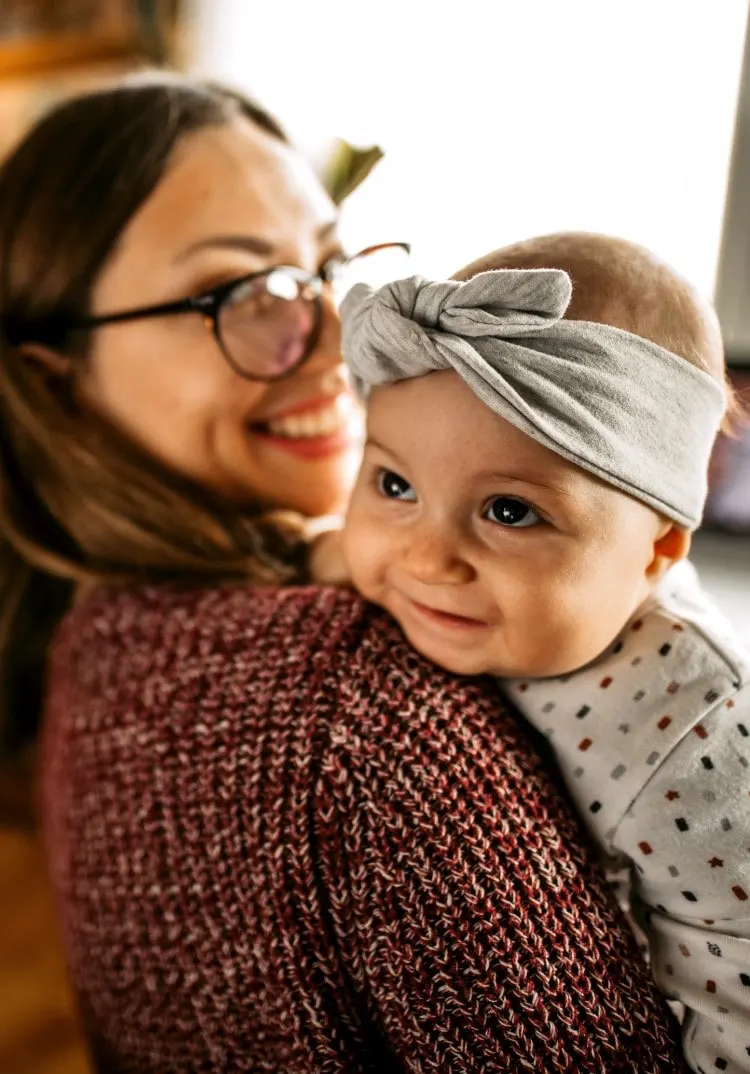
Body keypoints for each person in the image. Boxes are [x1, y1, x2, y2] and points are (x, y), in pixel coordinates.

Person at [0, 73, 689, 1072]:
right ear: (56, 378)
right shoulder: (355, 700)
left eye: (330, 270)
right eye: (246, 294)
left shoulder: (90, 648)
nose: (339, 344)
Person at [324, 231, 750, 1073]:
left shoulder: (690, 724)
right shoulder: (431, 579)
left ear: (658, 549)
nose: (426, 559)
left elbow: (737, 970)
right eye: (395, 485)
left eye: (510, 513)